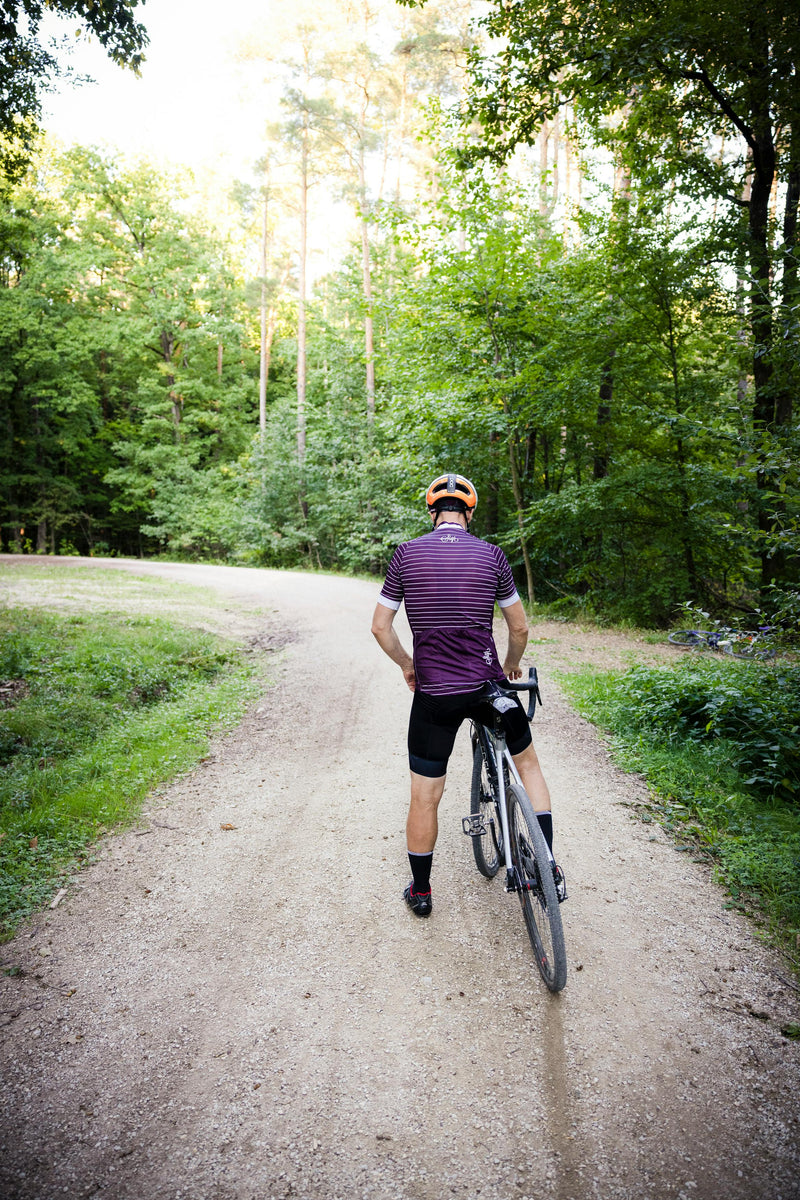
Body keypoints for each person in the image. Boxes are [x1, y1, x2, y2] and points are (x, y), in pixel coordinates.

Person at [371, 472, 565, 917]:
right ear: (470, 513)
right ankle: (547, 865)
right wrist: (513, 663)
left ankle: (421, 893)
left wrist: (408, 664)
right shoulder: (492, 556)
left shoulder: (405, 555)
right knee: (528, 765)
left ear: (432, 512)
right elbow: (519, 626)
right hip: (487, 686)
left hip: (435, 694)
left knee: (425, 795)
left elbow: (380, 627)